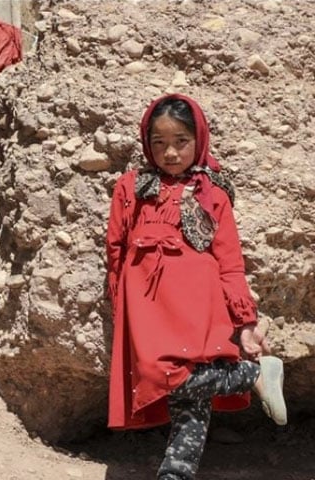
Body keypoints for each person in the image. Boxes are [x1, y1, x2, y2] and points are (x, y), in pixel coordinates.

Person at [105, 93, 287, 479]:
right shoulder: (131, 188)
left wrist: (246, 321)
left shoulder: (212, 193)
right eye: (159, 143)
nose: (170, 153)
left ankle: (175, 473)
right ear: (146, 142)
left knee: (189, 392)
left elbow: (230, 262)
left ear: (199, 139)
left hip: (199, 306)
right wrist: (119, 302)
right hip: (149, 308)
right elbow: (116, 248)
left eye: (181, 142)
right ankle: (253, 375)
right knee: (160, 375)